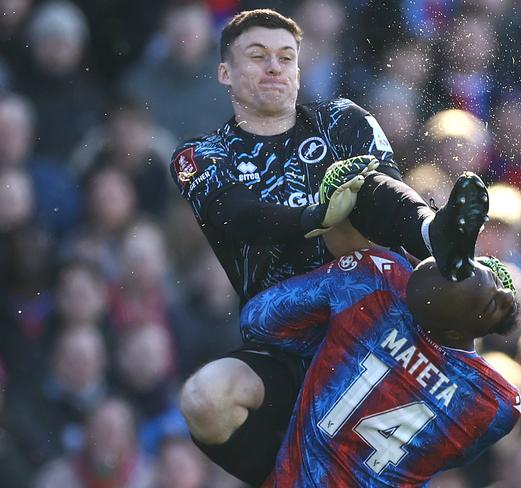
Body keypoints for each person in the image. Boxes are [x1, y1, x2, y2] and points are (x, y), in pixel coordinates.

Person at [175, 8, 490, 485]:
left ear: (300, 69)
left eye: (286, 57)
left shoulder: (341, 119)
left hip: (377, 333)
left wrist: (349, 215)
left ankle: (437, 234)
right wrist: (314, 217)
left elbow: (384, 196)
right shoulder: (200, 156)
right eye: (257, 56)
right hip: (286, 341)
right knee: (203, 400)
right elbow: (235, 215)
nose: (274, 67)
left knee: (361, 187)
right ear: (225, 72)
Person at [239, 248, 521, 486]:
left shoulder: (378, 282)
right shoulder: (492, 402)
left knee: (212, 396)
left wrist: (333, 348)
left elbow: (257, 320)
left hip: (288, 474)